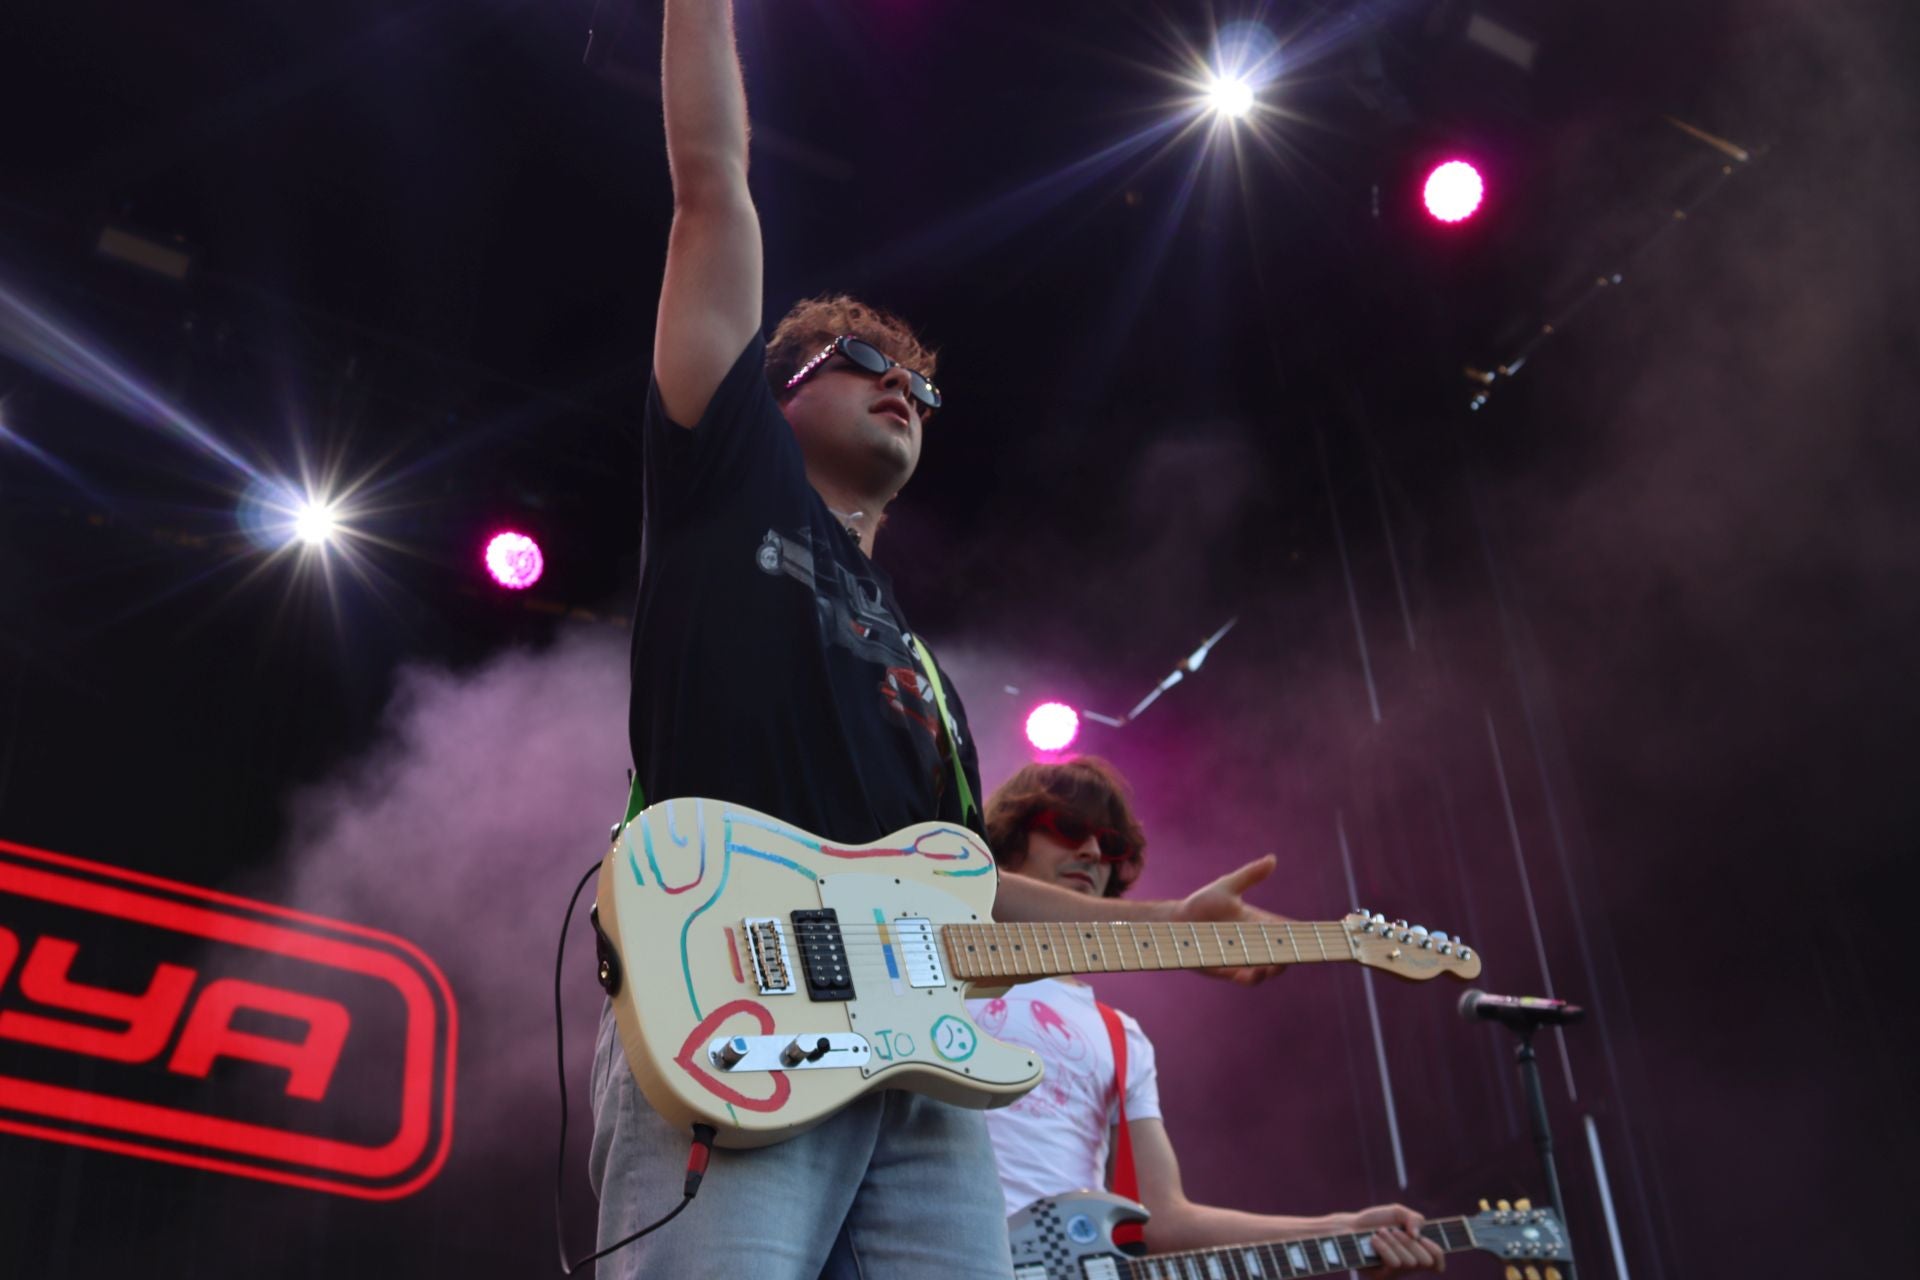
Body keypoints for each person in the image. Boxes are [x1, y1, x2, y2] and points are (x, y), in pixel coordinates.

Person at [589, 4, 1292, 1277]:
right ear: (778, 391)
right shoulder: (724, 472)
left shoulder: (922, 672)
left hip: (919, 1070)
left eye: (919, 378)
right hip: (739, 1015)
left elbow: (961, 890)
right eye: (863, 361)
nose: (900, 384)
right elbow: (713, 186)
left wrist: (1177, 923)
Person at [970, 758, 1448, 1274]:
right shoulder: (936, 952)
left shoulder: (1121, 1037)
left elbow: (1163, 1220)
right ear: (1009, 835)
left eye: (1112, 846)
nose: (1091, 852)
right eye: (1068, 828)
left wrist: (1339, 1229)